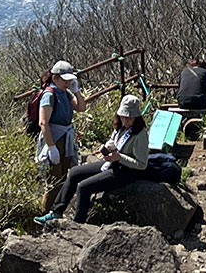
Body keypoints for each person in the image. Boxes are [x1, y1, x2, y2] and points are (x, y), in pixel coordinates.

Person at [36, 95, 149, 224]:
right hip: (113, 163)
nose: (125, 119)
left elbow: (142, 164)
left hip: (127, 171)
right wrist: (106, 148)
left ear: (136, 117)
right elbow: (114, 142)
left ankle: (78, 223)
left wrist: (120, 157)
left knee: (84, 187)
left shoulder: (140, 134)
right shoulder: (122, 127)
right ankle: (56, 212)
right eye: (123, 116)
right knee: (74, 173)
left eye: (129, 117)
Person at [36, 60, 88, 210]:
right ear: (55, 78)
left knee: (64, 177)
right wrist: (51, 147)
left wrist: (76, 90)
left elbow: (81, 107)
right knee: (54, 180)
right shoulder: (49, 94)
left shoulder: (66, 93)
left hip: (65, 138)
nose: (67, 83)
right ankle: (46, 212)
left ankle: (56, 211)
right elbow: (43, 123)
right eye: (64, 80)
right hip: (53, 138)